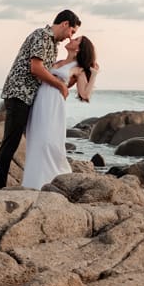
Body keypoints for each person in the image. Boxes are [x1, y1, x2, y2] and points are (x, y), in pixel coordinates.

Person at [0, 9, 80, 189]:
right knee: (10, 143)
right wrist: (60, 85)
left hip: (28, 97)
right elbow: (36, 69)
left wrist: (67, 81)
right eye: (72, 31)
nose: (70, 37)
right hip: (19, 94)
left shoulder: (53, 44)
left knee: (27, 141)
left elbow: (49, 75)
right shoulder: (42, 36)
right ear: (65, 24)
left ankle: (35, 179)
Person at [21, 36, 98, 189]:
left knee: (48, 141)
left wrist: (94, 74)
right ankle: (32, 183)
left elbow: (84, 95)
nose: (71, 39)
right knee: (35, 139)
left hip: (54, 103)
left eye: (76, 39)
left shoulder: (78, 68)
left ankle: (51, 180)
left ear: (79, 48)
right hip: (39, 99)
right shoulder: (57, 60)